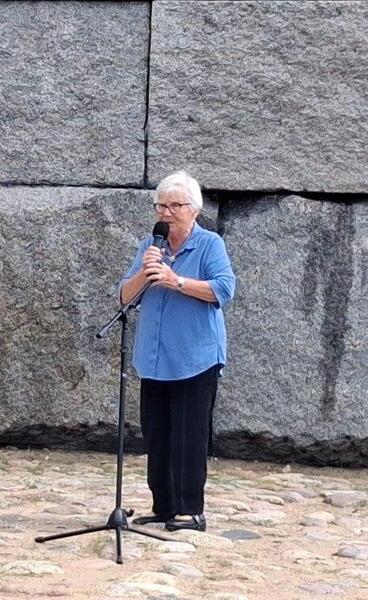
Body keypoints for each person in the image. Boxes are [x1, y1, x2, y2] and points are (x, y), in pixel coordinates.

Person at [119, 170, 236, 532]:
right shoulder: (149, 245)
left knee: (188, 436)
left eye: (175, 206)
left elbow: (223, 290)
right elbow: (124, 295)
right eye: (160, 206)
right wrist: (145, 272)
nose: (166, 213)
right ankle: (164, 506)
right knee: (157, 434)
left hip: (194, 357)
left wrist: (177, 281)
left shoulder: (209, 244)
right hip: (154, 358)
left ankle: (191, 512)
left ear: (194, 210)